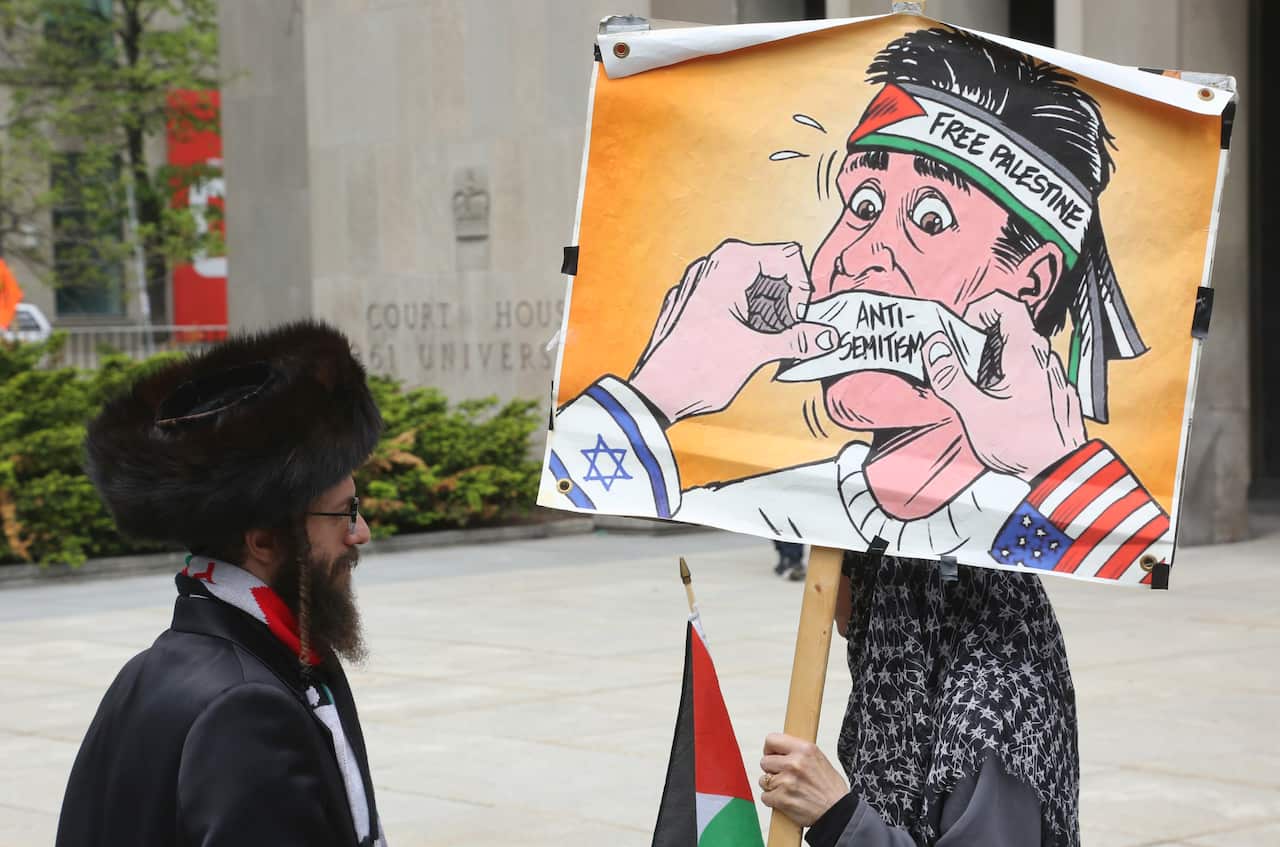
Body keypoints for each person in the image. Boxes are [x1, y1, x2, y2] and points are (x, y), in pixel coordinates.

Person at [542, 25, 1170, 584]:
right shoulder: (778, 506)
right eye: (863, 204)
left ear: (1028, 286)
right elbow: (590, 495)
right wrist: (657, 394)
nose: (859, 254)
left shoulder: (1026, 545)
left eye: (929, 219)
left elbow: (1134, 556)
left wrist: (1057, 464)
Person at [56, 321, 388, 847]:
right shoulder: (246, 706)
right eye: (345, 513)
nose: (361, 533)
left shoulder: (155, 667)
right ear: (262, 541)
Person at [758, 551, 1078, 846]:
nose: (823, 580)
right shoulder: (929, 671)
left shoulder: (987, 720)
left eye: (833, 559)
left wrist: (837, 814)